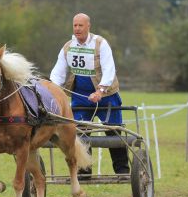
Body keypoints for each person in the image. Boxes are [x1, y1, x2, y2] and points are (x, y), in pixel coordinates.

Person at [50, 13, 130, 177]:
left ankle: (122, 171)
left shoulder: (100, 44)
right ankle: (84, 172)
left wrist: (100, 90)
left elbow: (109, 69)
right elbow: (58, 73)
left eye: (81, 25)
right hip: (80, 98)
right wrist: (52, 89)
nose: (77, 28)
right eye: (75, 25)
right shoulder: (68, 47)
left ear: (88, 26)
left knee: (114, 132)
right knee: (81, 134)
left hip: (106, 97)